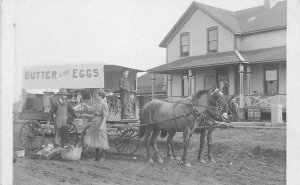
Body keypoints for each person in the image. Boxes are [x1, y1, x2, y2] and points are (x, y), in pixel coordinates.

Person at [82, 90, 109, 162]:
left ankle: (102, 157)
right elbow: (94, 115)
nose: (96, 97)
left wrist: (102, 126)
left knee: (101, 139)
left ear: (101, 96)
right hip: (95, 122)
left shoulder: (104, 104)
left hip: (100, 122)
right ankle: (96, 157)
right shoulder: (98, 103)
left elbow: (105, 116)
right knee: (95, 139)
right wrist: (86, 115)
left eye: (97, 95)